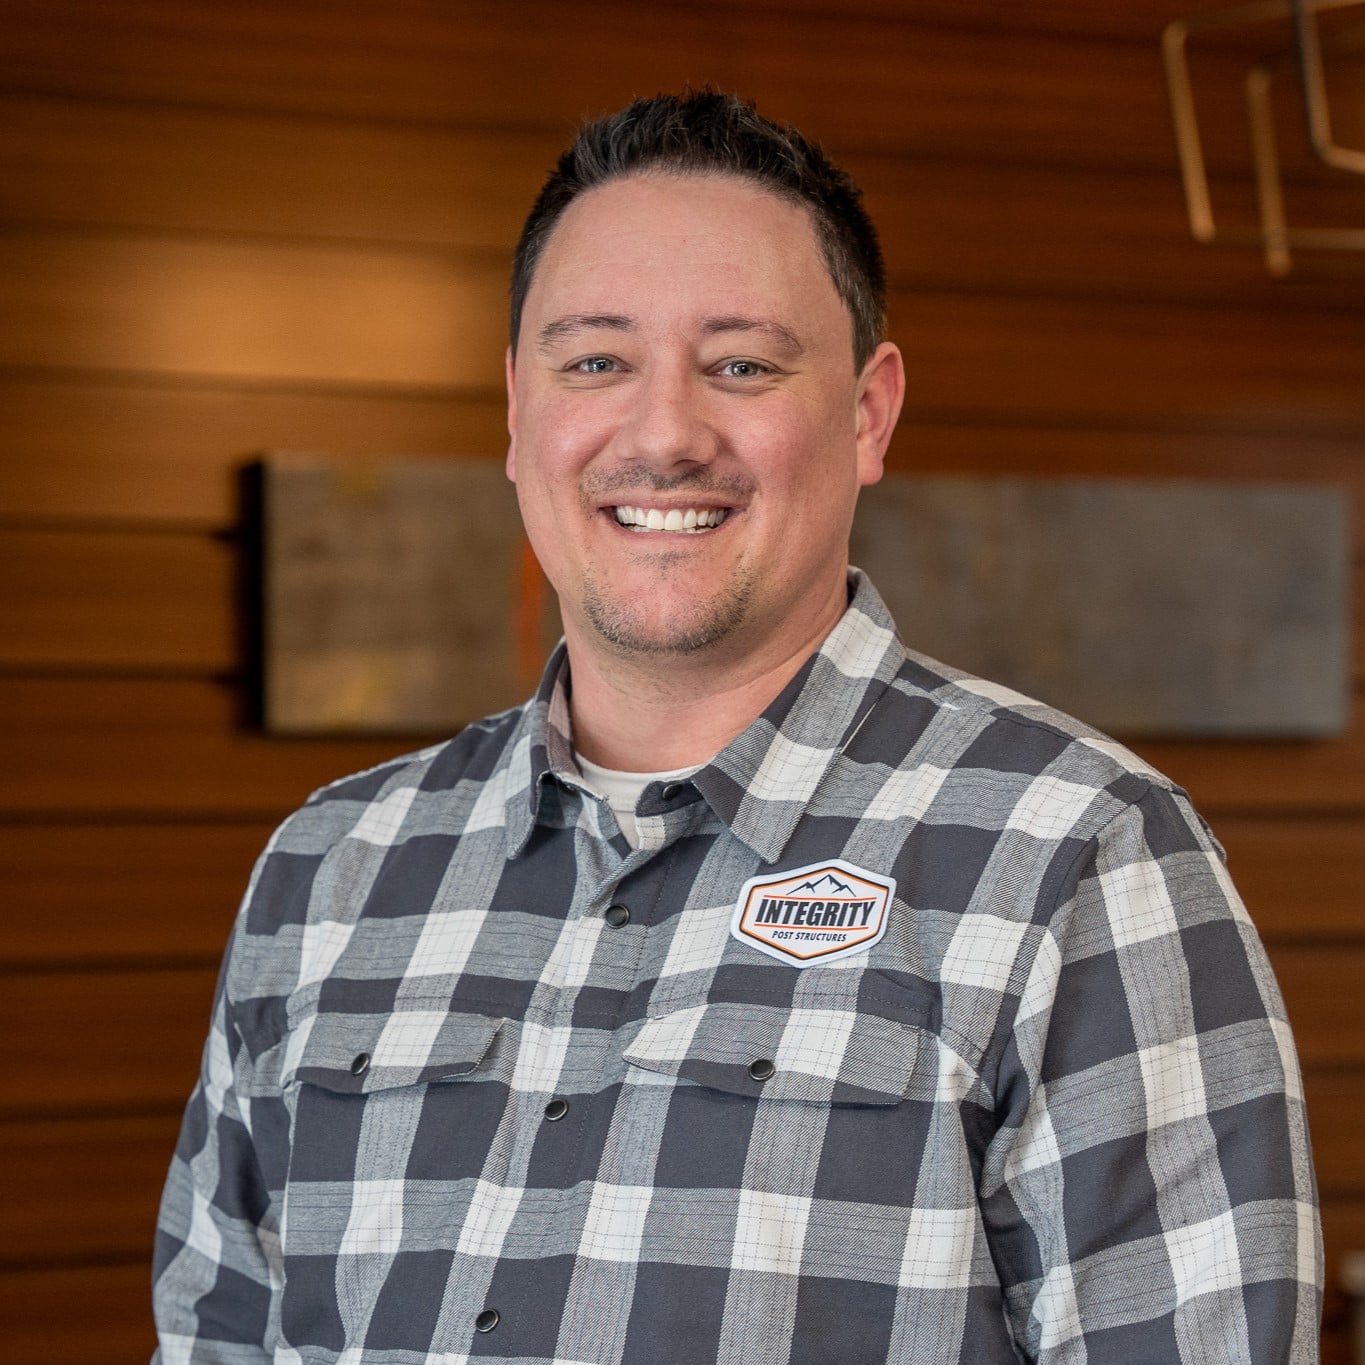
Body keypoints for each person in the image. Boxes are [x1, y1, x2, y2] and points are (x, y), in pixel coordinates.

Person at [153, 90, 1321, 1363]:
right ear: (518, 412)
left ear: (868, 413)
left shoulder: (1080, 854)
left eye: (743, 366)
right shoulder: (329, 870)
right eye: (595, 362)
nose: (664, 434)